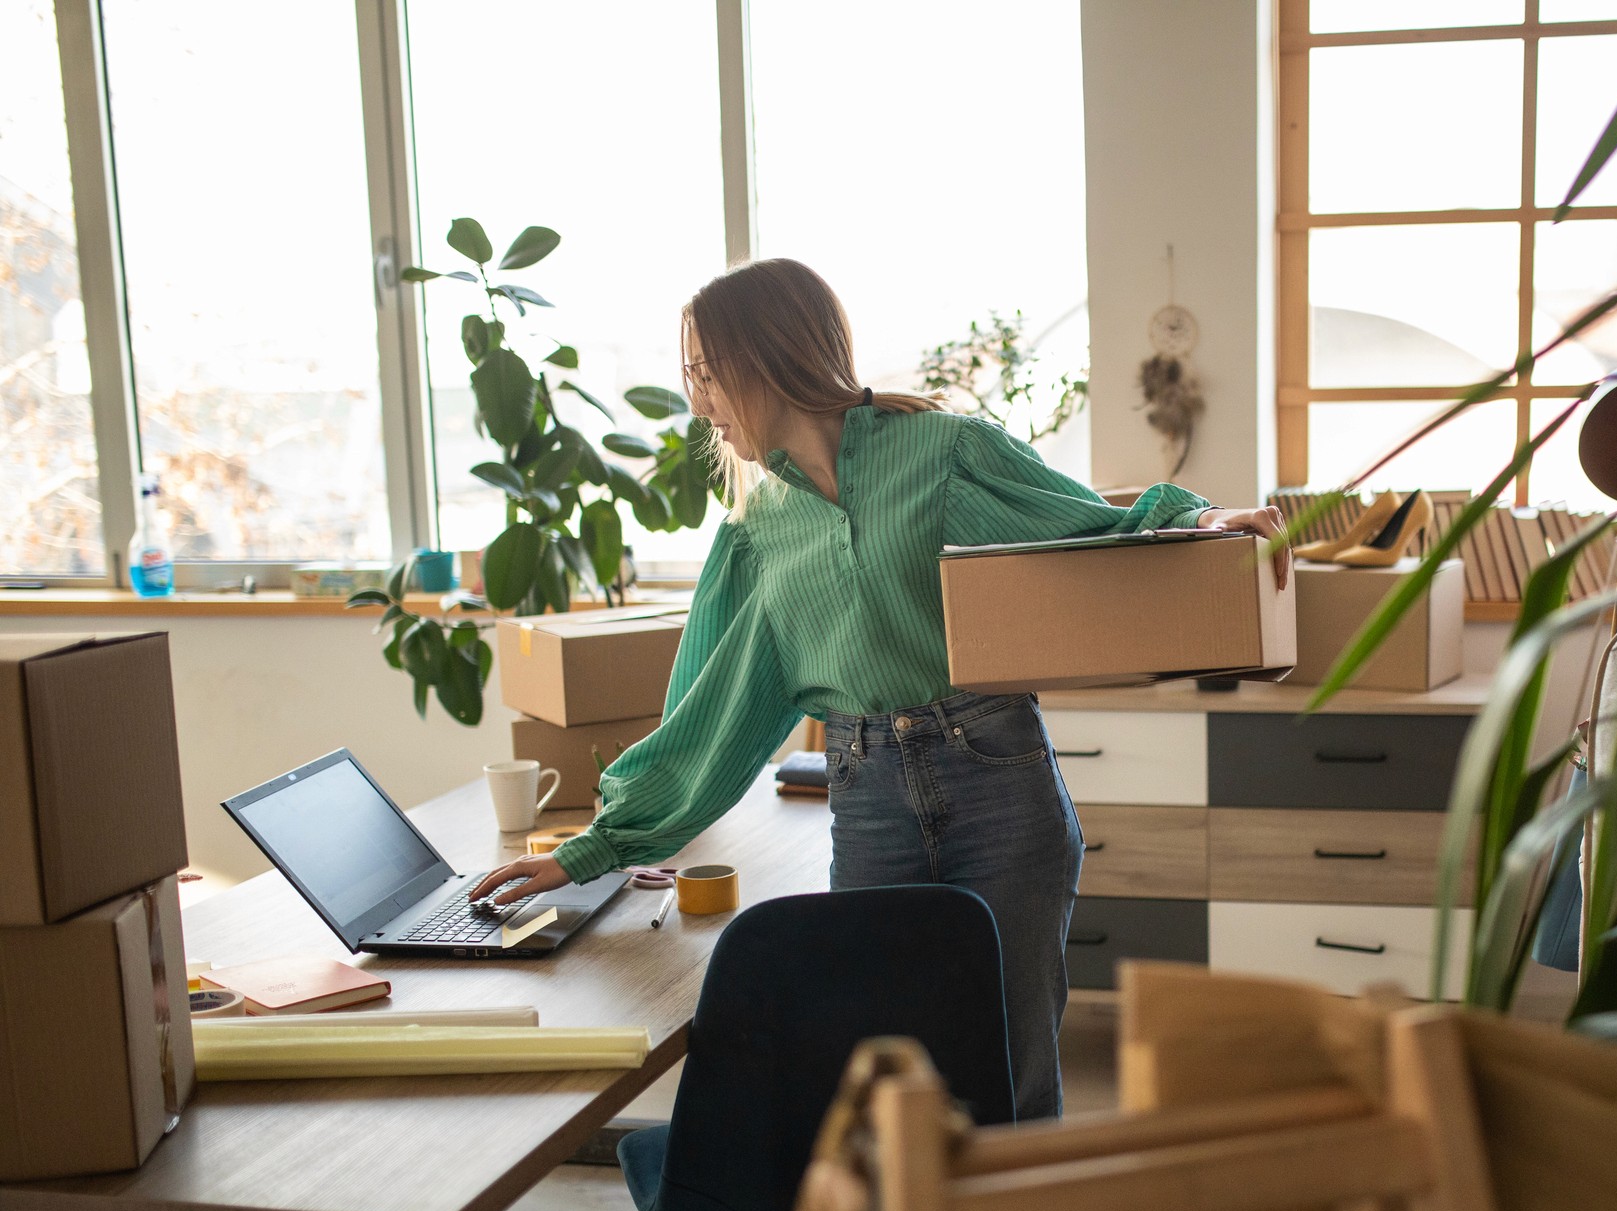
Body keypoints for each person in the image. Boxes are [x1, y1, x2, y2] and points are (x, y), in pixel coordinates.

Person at [473, 258, 1287, 1119]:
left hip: (998, 783)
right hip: (868, 805)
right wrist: (591, 849)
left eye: (706, 376)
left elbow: (1083, 524)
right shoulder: (757, 534)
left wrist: (1200, 522)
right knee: (889, 1083)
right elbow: (710, 717)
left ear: (767, 358)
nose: (699, 403)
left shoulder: (943, 453)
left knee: (1009, 1070)